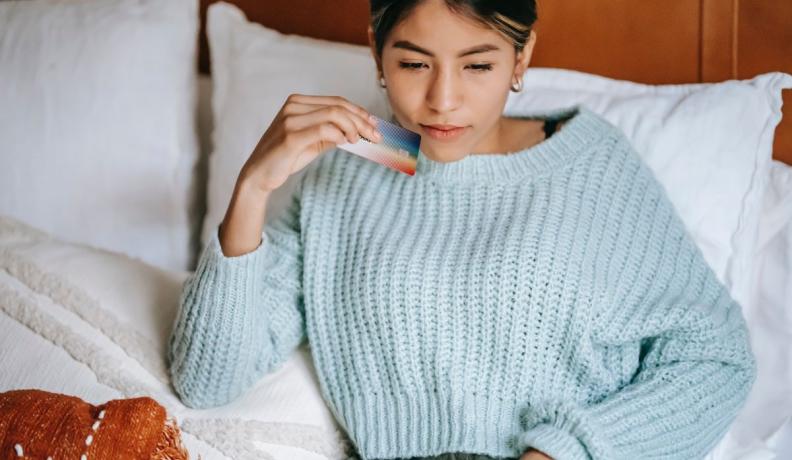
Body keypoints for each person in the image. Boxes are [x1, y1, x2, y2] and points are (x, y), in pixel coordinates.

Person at [167, 1, 758, 459]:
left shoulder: (586, 163)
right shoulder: (354, 167)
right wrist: (251, 192)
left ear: (521, 58)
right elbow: (205, 379)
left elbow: (716, 359)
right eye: (413, 63)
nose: (442, 100)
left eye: (477, 65)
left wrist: (567, 451)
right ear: (377, 52)